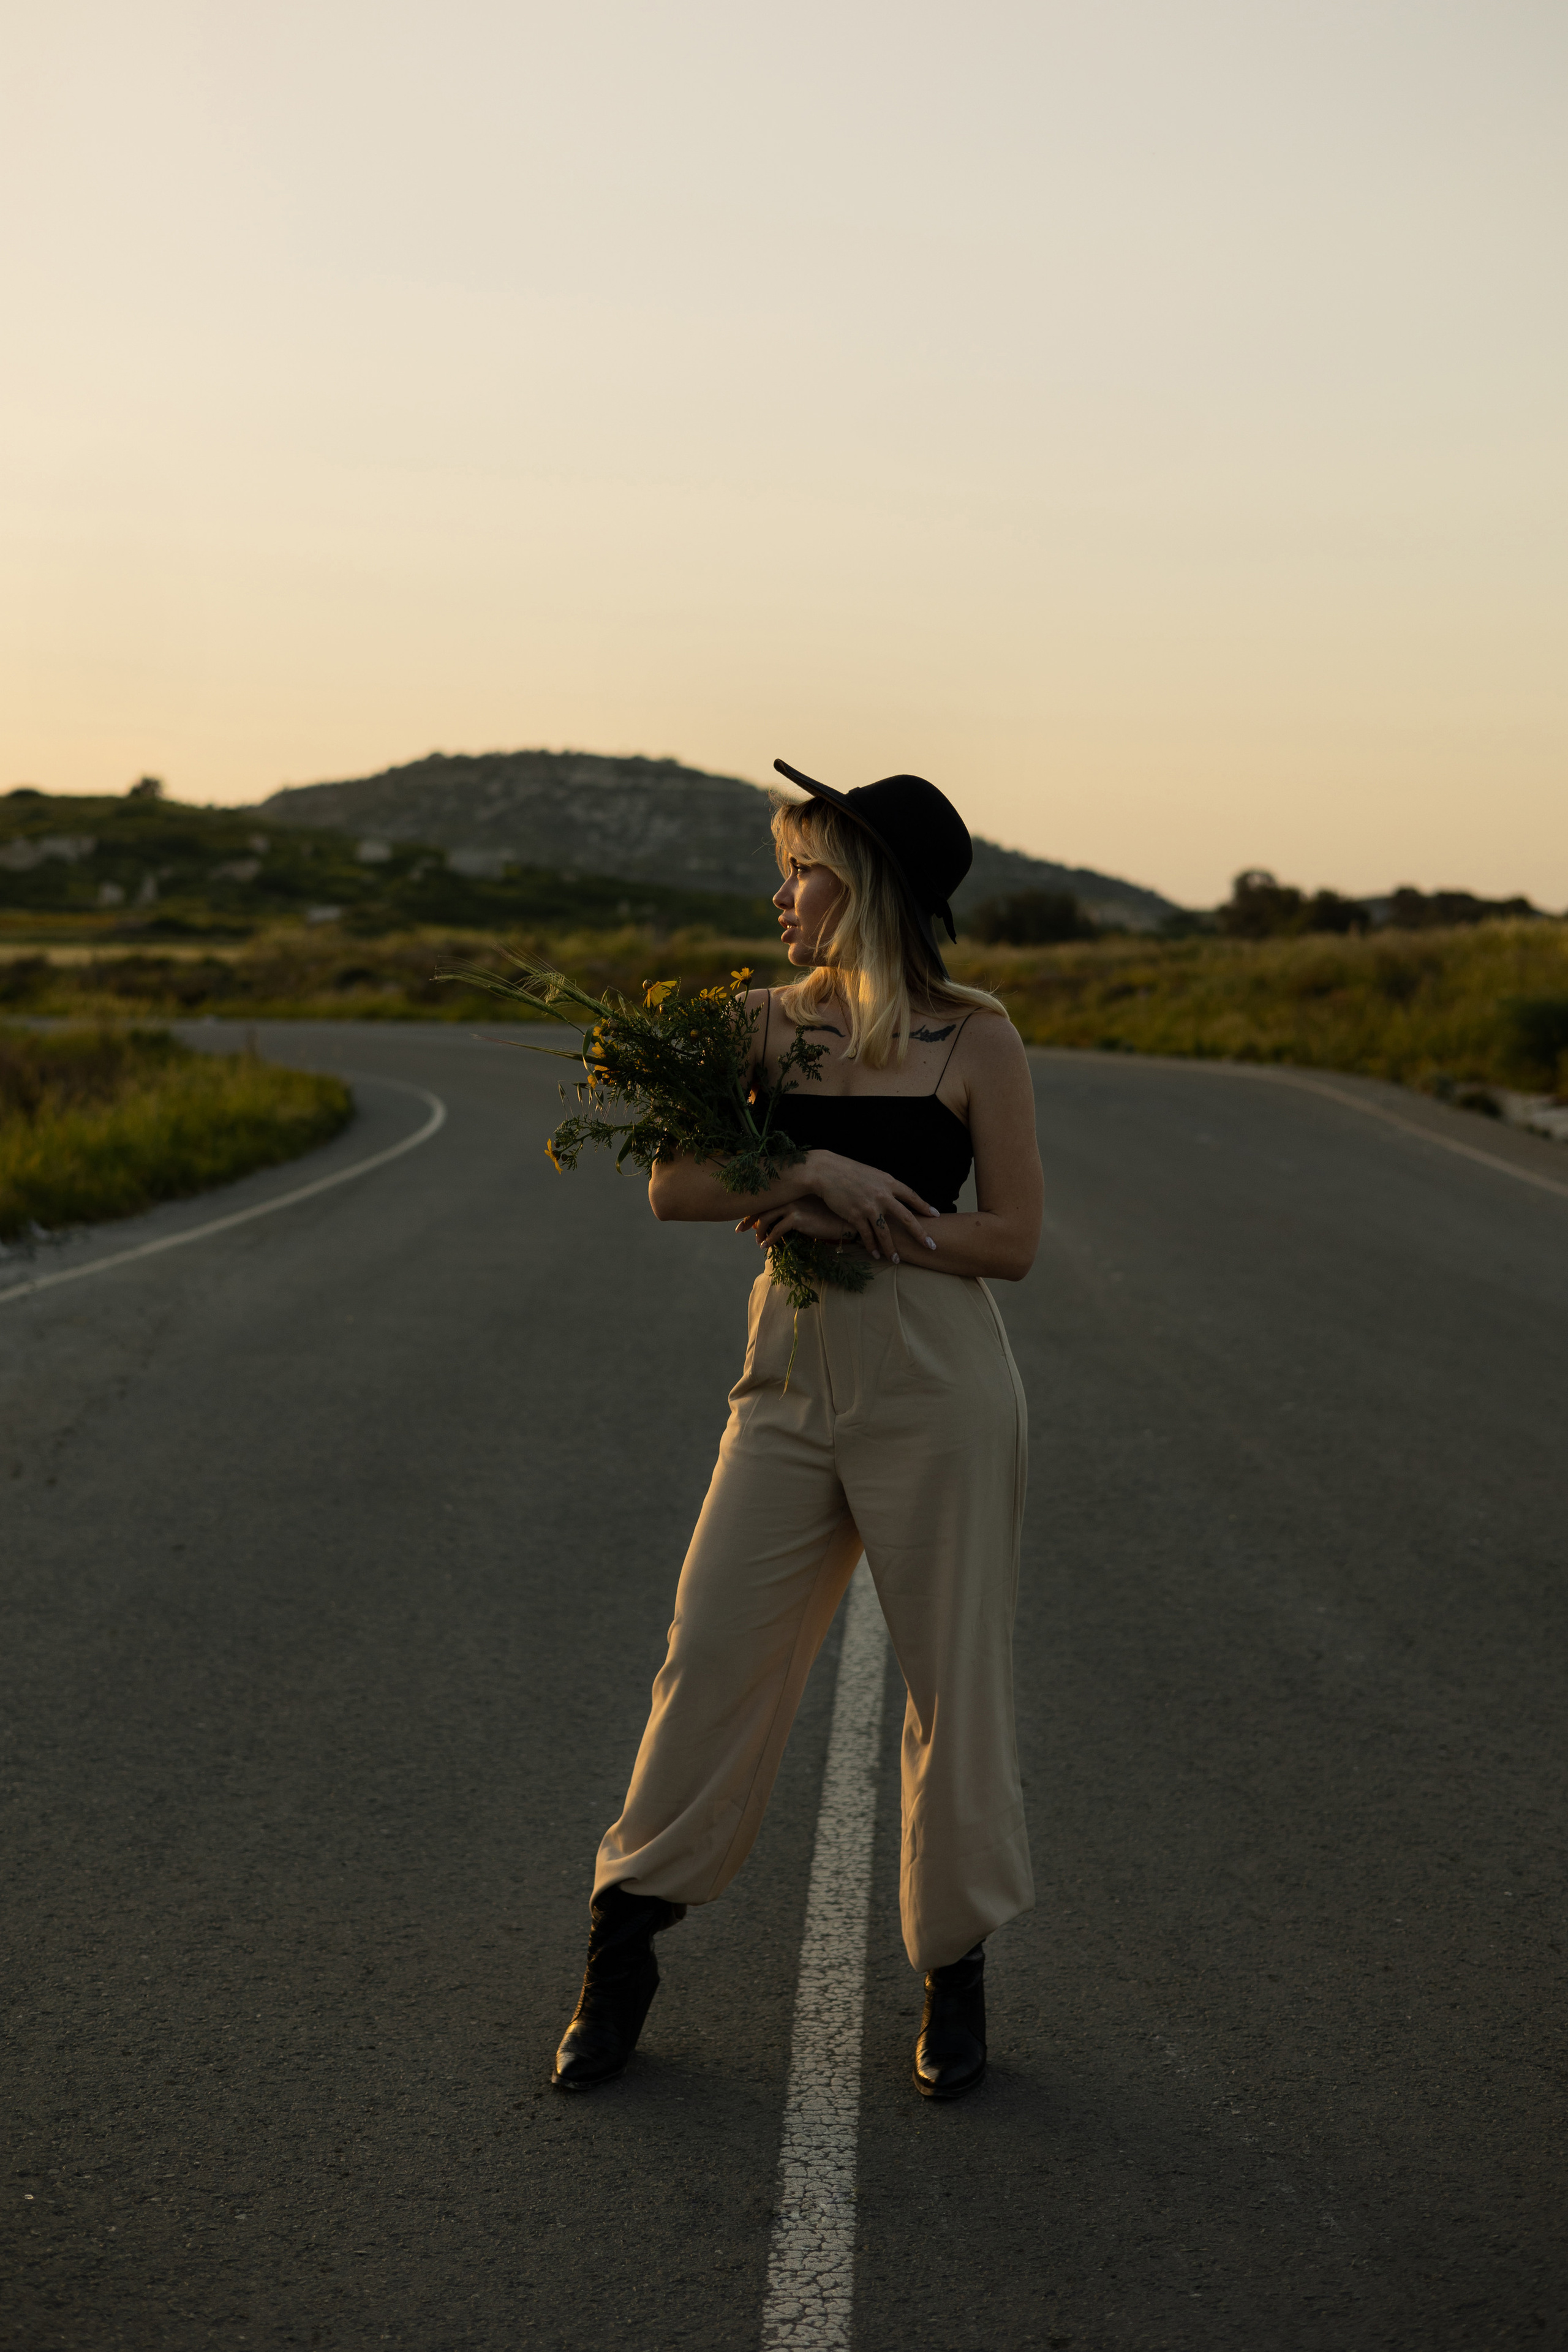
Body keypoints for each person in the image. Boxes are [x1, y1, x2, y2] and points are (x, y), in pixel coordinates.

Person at [552, 760, 1044, 2101]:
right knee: (708, 1651)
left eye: (805, 870)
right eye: (783, 868)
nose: (780, 895)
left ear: (869, 887)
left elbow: (1014, 1238)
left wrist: (873, 1219)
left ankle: (954, 1973)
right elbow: (675, 1186)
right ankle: (623, 1943)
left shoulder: (972, 1039)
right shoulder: (755, 1026)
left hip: (939, 1387)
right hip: (785, 1384)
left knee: (953, 1681)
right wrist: (811, 1170)